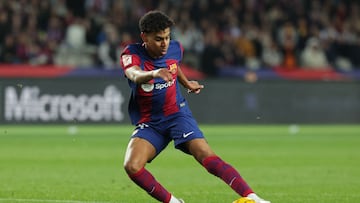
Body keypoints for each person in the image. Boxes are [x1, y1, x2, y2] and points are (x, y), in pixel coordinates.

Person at [120, 10, 271, 203]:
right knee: (132, 166)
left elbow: (174, 65)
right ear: (144, 37)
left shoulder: (175, 48)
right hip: (151, 123)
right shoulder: (132, 53)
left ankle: (253, 198)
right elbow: (133, 74)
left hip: (177, 115)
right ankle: (174, 202)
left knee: (205, 155)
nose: (165, 43)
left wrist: (186, 83)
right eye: (158, 39)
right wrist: (154, 73)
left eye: (167, 37)